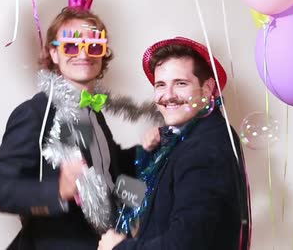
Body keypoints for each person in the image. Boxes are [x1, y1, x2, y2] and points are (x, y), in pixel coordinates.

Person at [0, 0, 137, 250]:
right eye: (72, 46)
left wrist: (156, 152)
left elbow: (110, 168)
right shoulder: (35, 114)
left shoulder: (93, 111)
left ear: (103, 53)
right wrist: (58, 191)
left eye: (93, 46)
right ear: (54, 53)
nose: (84, 54)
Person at [98, 37, 252, 250]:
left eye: (180, 83)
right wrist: (156, 146)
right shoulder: (190, 135)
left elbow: (183, 245)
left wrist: (119, 248)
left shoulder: (205, 151)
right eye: (160, 85)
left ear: (207, 89)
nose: (168, 96)